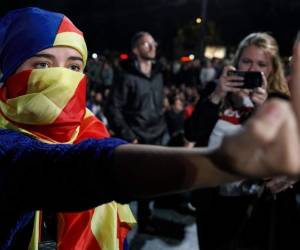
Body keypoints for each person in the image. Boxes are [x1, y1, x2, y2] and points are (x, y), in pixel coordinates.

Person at [1, 7, 300, 250]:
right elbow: (74, 168)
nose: (62, 78)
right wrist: (216, 163)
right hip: (203, 195)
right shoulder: (8, 143)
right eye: (42, 65)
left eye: (74, 67)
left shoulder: (91, 128)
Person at [185, 32, 298, 250]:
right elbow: (192, 133)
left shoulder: (278, 101)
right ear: (236, 62)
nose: (251, 69)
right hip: (210, 194)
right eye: (246, 61)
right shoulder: (215, 90)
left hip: (250, 200)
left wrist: (262, 109)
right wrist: (217, 95)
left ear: (271, 69)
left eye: (261, 64)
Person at [106, 31, 169, 234]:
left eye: (153, 43)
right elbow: (113, 108)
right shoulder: (125, 76)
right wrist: (129, 135)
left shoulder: (159, 72)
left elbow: (156, 102)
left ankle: (145, 219)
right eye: (146, 44)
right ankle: (116, 227)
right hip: (137, 138)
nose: (152, 47)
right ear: (136, 50)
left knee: (151, 182)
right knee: (132, 182)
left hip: (157, 135)